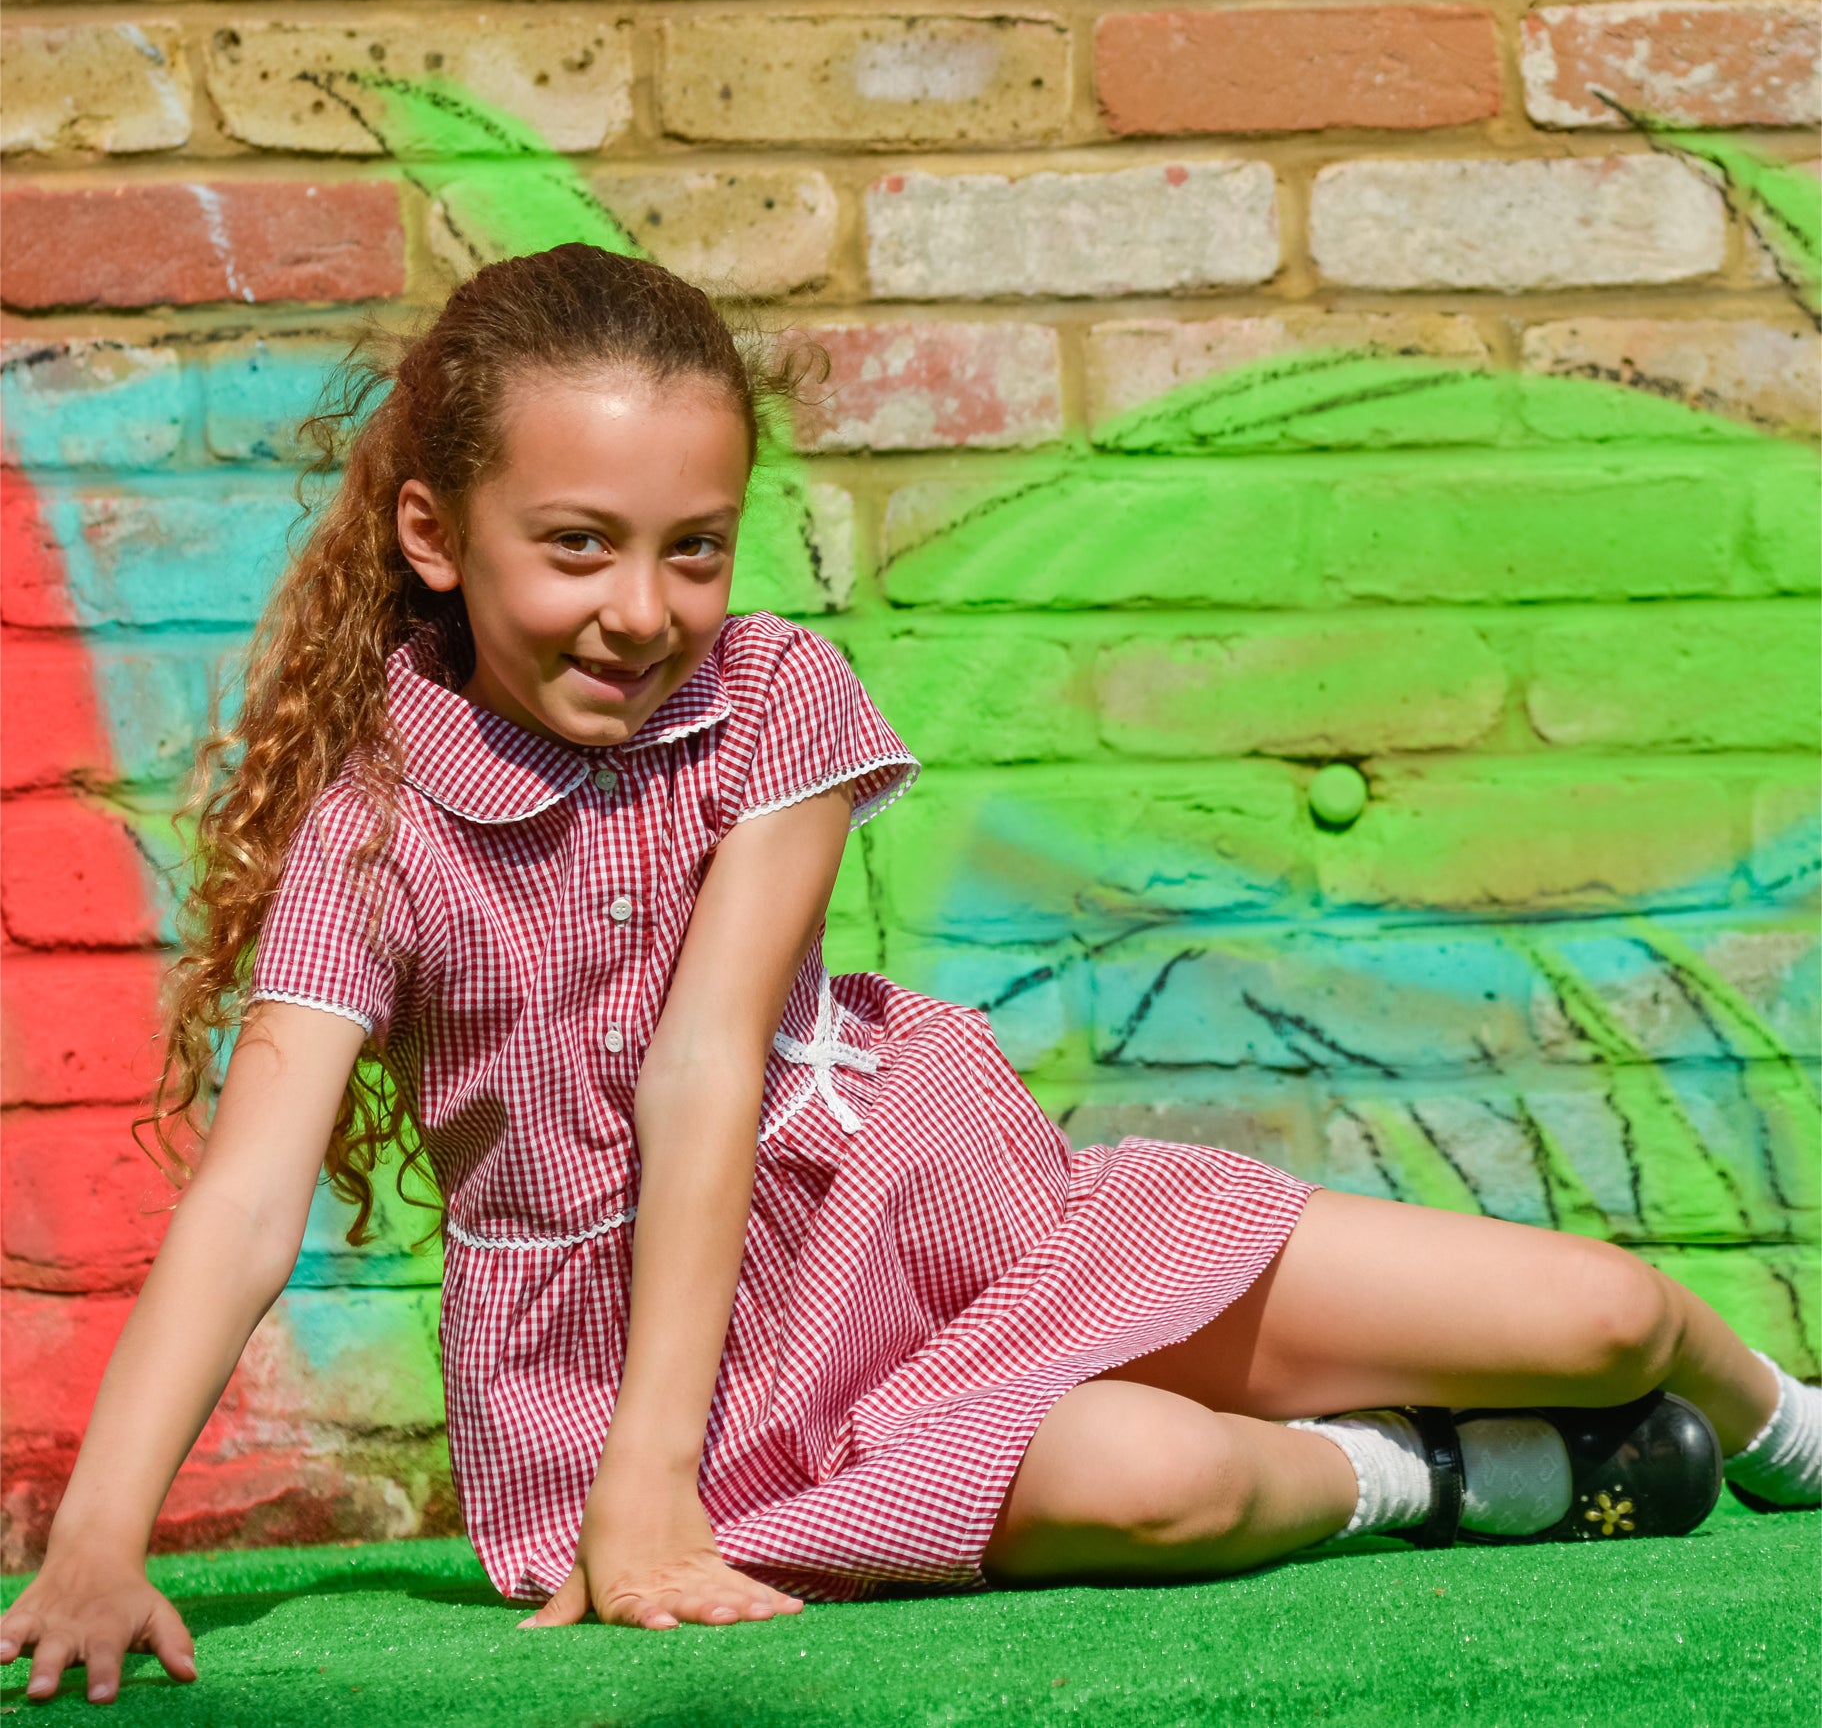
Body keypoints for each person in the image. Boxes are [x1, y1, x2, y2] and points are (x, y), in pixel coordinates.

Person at [3, 246, 1814, 1706]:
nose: (641, 608)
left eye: (689, 546)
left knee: (1604, 1318)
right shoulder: (375, 837)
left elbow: (706, 1064)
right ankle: (1446, 1479)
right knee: (1157, 1481)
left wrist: (650, 1495)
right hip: (702, 1400)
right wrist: (102, 1535)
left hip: (948, 1237)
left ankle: (1784, 1438)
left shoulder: (768, 703)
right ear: (432, 538)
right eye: (577, 546)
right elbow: (246, 1207)